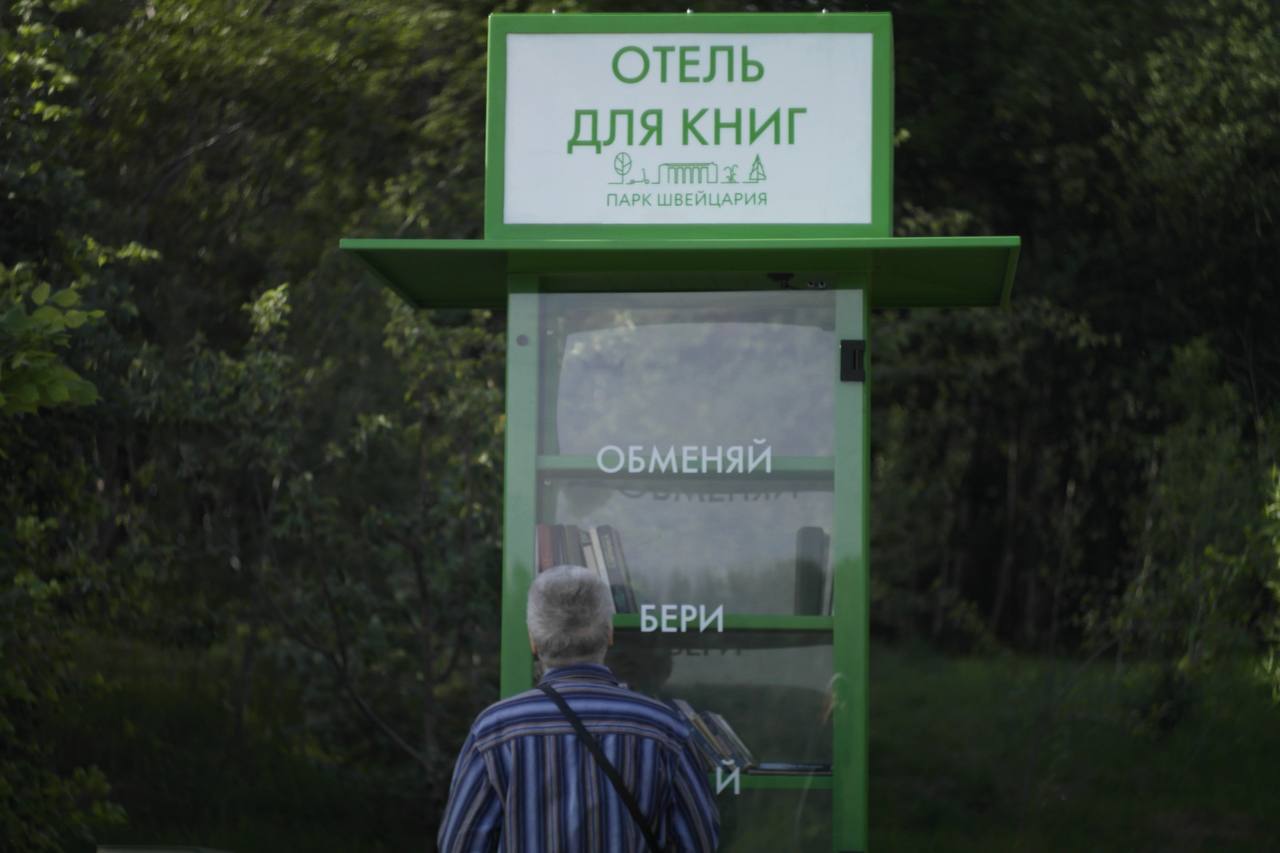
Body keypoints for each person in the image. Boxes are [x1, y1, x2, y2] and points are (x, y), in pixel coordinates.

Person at [438, 565, 720, 852]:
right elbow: (699, 841)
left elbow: (460, 844)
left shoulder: (493, 729)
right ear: (609, 634)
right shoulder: (665, 727)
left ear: (533, 641)